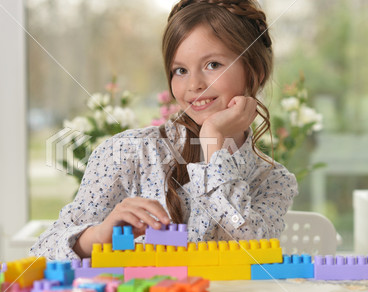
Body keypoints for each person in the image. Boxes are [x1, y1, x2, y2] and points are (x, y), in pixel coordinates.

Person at [30, 0, 298, 260]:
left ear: (256, 72)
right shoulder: (126, 153)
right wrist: (98, 236)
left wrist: (214, 141)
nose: (194, 84)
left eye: (212, 65)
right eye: (180, 70)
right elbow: (41, 252)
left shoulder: (274, 181)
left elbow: (250, 248)